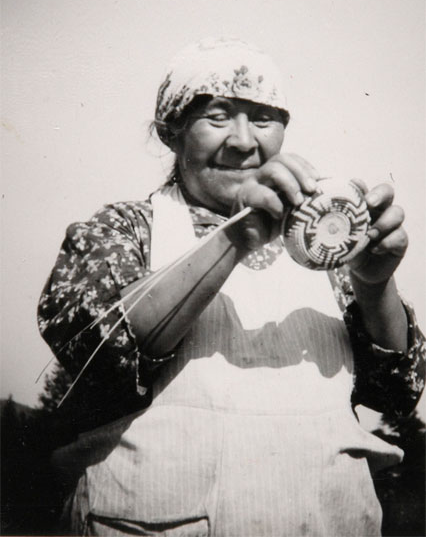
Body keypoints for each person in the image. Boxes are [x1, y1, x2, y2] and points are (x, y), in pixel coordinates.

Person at [38, 38, 425, 536]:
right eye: (218, 116)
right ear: (171, 132)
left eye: (263, 118)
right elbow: (95, 352)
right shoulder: (125, 229)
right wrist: (235, 238)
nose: (244, 141)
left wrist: (374, 286)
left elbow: (398, 392)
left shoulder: (321, 253)